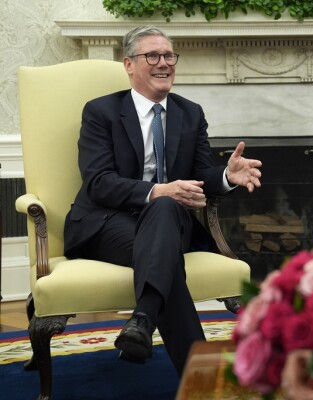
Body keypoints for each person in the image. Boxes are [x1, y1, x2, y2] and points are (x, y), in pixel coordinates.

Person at [63, 26, 262, 375]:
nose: (163, 63)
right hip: (106, 222)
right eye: (152, 56)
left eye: (169, 56)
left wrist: (227, 176)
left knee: (168, 209)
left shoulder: (190, 113)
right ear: (128, 64)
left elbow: (203, 173)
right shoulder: (101, 112)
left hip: (170, 221)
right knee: (166, 245)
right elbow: (98, 182)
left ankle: (143, 318)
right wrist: (157, 190)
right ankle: (198, 375)